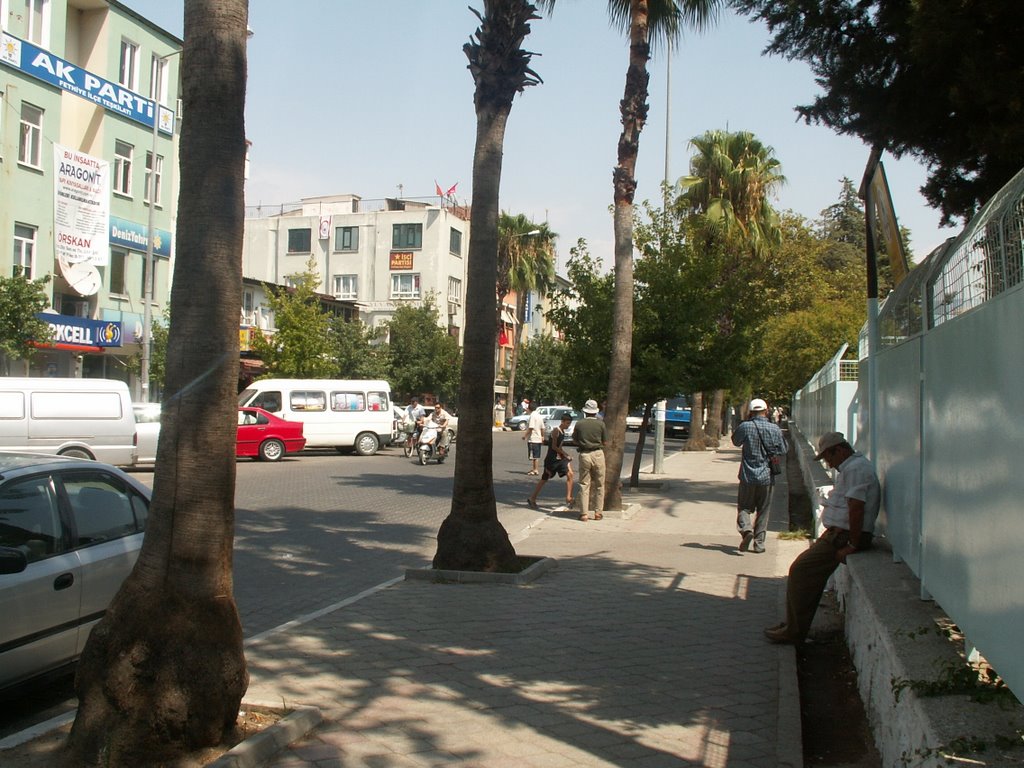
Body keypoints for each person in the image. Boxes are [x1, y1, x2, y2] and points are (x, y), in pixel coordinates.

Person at [764, 431, 880, 645]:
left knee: (801, 570)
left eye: (829, 456)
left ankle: (794, 631)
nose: (828, 462)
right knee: (804, 573)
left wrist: (852, 544)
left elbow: (856, 508)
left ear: (841, 450)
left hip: (843, 536)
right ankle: (793, 624)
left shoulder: (855, 469)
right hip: (837, 533)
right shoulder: (852, 467)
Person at [731, 398, 787, 554]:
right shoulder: (774, 428)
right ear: (766, 411)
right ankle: (759, 544)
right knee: (763, 510)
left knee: (744, 507)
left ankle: (746, 529)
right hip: (767, 476)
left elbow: (735, 442)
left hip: (747, 475)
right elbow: (783, 449)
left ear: (750, 412)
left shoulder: (745, 426)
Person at [526, 413, 574, 510]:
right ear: (562, 421)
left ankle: (568, 497)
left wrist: (565, 455)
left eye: (569, 424)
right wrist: (565, 454)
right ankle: (532, 498)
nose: (568, 425)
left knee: (570, 474)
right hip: (551, 460)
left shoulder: (563, 432)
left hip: (560, 459)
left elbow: (560, 447)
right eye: (567, 423)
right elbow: (554, 446)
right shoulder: (556, 431)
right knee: (545, 478)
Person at [573, 399, 607, 522]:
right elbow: (605, 441)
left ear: (585, 411)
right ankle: (598, 513)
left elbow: (574, 439)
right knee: (599, 484)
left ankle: (584, 514)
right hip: (598, 453)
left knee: (584, 484)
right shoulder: (601, 424)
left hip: (584, 454)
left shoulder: (579, 424)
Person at [523, 402, 545, 475]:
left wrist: (525, 435)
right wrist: (542, 436)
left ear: (529, 408)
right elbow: (542, 428)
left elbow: (531, 427)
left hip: (533, 438)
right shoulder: (539, 416)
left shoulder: (532, 416)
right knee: (537, 455)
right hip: (538, 438)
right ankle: (535, 469)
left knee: (533, 455)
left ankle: (535, 470)